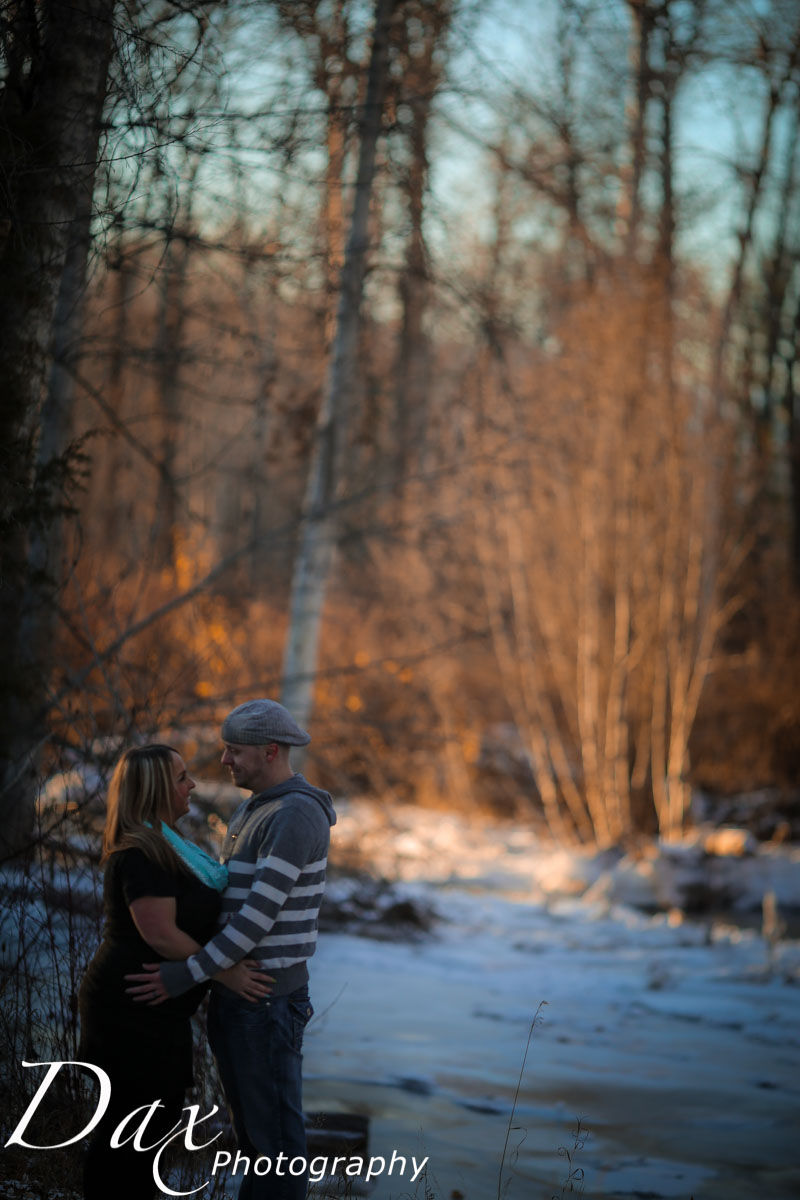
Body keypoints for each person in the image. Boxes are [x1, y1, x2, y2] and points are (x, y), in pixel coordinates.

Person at [126, 700, 337, 1200]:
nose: (223, 761)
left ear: (269, 752)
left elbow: (256, 918)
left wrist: (186, 974)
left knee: (277, 1148)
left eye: (234, 751)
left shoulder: (294, 815)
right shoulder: (255, 807)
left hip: (267, 1002)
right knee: (258, 1143)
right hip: (242, 999)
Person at [79, 743, 270, 1200]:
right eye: (182, 777)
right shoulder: (143, 852)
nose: (193, 785)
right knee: (128, 1138)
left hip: (155, 1009)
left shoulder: (169, 845)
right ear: (155, 789)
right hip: (130, 1011)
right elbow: (161, 934)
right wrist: (227, 972)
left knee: (146, 1131)